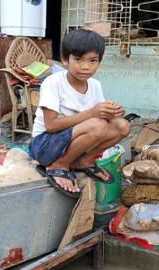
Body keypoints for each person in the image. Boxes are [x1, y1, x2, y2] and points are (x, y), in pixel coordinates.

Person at [30, 29, 131, 197]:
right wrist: (93, 112)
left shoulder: (95, 85)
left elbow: (101, 117)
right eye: (78, 59)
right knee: (96, 125)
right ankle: (59, 165)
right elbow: (51, 125)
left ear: (99, 62)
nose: (85, 66)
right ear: (64, 60)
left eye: (93, 61)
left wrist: (113, 113)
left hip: (72, 140)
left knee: (123, 126)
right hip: (44, 144)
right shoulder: (53, 83)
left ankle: (83, 161)